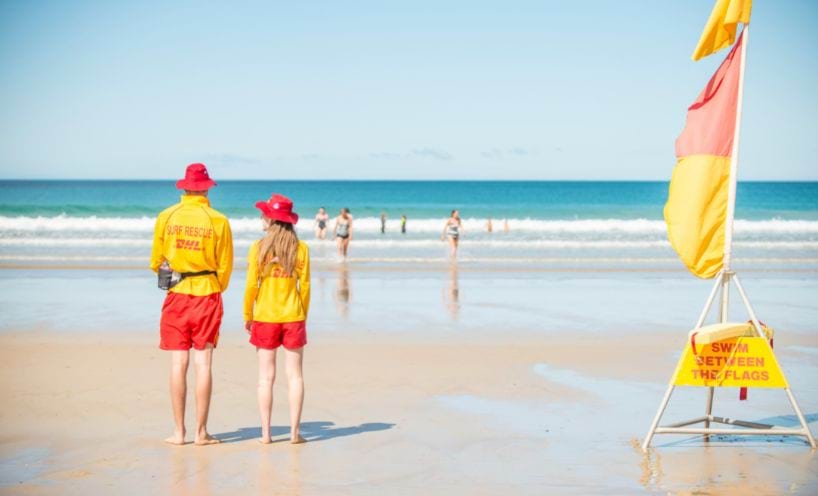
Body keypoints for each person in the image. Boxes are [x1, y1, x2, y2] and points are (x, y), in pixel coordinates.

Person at [150, 163, 233, 446]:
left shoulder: (166, 216)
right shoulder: (218, 220)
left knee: (178, 362)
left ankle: (179, 432)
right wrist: (215, 286)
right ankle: (201, 432)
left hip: (177, 293)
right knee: (204, 363)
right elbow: (225, 266)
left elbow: (155, 262)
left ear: (184, 187)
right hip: (207, 292)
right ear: (207, 187)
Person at [244, 194, 310, 445]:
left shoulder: (258, 248)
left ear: (271, 219)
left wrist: (248, 314)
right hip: (293, 315)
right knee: (295, 376)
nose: (261, 217)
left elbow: (251, 285)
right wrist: (303, 313)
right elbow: (305, 287)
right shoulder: (301, 249)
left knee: (265, 377)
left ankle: (266, 434)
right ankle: (294, 433)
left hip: (265, 316)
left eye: (264, 214)